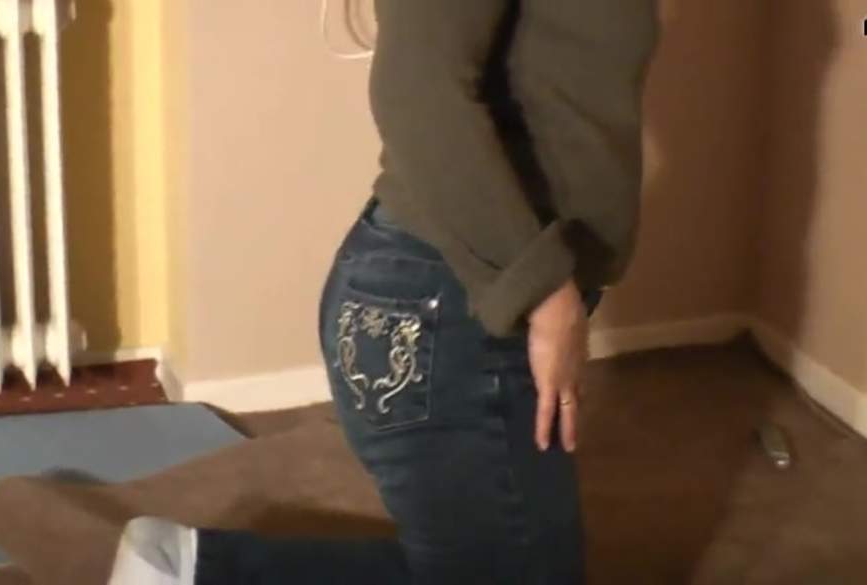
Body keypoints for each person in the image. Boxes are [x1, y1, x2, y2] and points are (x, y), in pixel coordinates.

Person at [107, 1, 659, 583]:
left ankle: (192, 567)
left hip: (476, 296)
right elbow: (415, 92)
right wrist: (544, 293)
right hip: (451, 306)